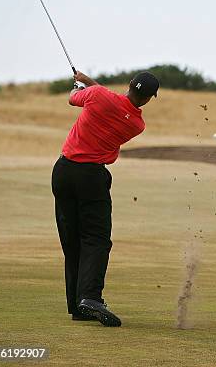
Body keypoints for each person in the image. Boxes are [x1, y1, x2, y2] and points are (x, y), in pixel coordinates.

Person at [51, 70, 159, 327]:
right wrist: (88, 83)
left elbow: (75, 98)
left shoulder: (98, 96)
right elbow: (114, 103)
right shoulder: (136, 125)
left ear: (130, 84)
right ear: (147, 99)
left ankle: (78, 306)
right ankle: (90, 297)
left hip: (63, 172)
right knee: (96, 240)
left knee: (73, 240)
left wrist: (80, 85)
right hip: (92, 178)